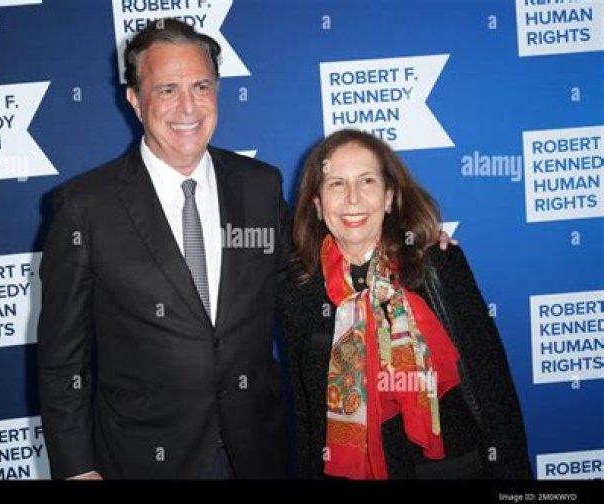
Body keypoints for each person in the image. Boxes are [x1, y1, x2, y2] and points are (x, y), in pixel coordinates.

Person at [37, 19, 290, 479]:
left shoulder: (260, 186)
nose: (188, 107)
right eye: (167, 90)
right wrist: (77, 469)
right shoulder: (85, 209)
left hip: (258, 454)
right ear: (135, 100)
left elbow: (299, 294)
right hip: (145, 461)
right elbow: (61, 360)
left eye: (201, 86)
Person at [279, 129, 532, 479]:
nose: (353, 198)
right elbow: (307, 416)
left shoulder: (437, 265)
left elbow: (493, 387)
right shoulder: (298, 293)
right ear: (318, 206)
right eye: (336, 184)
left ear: (388, 197)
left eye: (367, 181)